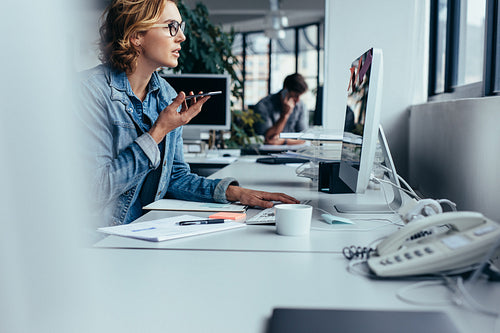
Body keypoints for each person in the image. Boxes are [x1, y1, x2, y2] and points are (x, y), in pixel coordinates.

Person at [78, 0, 299, 226]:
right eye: (171, 26)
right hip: (99, 239)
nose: (182, 36)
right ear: (136, 36)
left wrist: (235, 193)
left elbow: (174, 177)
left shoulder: (166, 94)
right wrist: (159, 131)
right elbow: (94, 191)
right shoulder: (89, 92)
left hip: (143, 230)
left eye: (181, 27)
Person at [254, 73, 309, 145]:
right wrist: (285, 115)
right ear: (285, 91)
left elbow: (305, 138)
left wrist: (284, 141)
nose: (298, 100)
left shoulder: (301, 106)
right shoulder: (263, 106)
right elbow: (269, 139)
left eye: (300, 96)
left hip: (294, 152)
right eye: (296, 95)